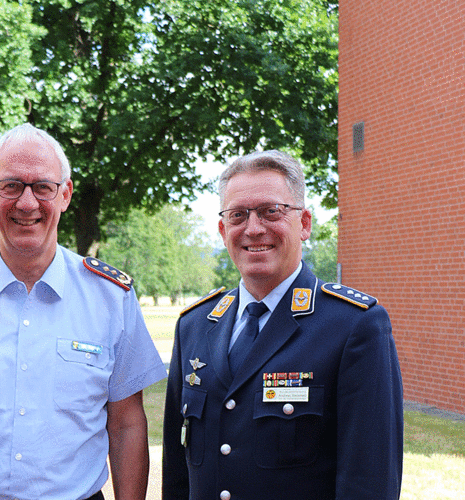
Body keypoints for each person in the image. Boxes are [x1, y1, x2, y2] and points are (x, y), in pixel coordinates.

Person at [0, 123, 167, 500]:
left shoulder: (111, 298)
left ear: (65, 194)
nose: (26, 203)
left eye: (42, 187)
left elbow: (127, 426)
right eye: (11, 186)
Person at [162, 150, 403, 500]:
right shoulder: (194, 326)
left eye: (271, 211)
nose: (253, 228)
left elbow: (370, 482)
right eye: (238, 215)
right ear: (222, 229)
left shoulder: (353, 326)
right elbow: (177, 473)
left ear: (304, 223)